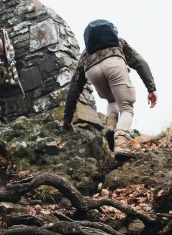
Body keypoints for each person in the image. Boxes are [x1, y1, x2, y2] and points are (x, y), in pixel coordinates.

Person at [63, 19, 157, 158]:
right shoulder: (119, 43)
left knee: (113, 100)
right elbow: (140, 62)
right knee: (126, 107)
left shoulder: (85, 54)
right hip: (114, 64)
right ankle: (120, 142)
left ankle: (111, 127)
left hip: (92, 71)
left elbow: (74, 86)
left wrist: (67, 118)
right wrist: (151, 88)